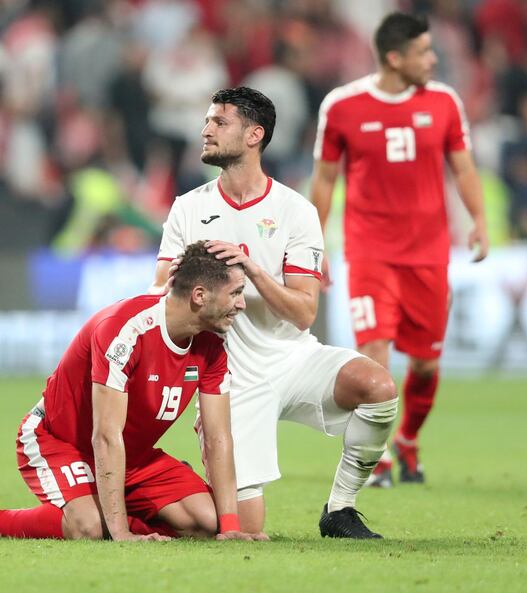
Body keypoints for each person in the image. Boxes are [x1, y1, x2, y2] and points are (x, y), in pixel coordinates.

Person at [151, 87, 398, 539]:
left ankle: (340, 508)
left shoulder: (295, 211)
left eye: (219, 122)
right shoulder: (189, 208)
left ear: (254, 134)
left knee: (378, 387)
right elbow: (160, 291)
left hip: (291, 356)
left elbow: (304, 312)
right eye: (207, 120)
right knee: (246, 529)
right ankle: (168, 495)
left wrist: (250, 270)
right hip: (229, 377)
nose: (205, 129)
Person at [0, 241, 260, 541]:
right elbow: (105, 435)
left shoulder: (211, 347)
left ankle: (112, 511)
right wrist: (122, 533)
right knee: (89, 527)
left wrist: (229, 528)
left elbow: (217, 436)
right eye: (236, 293)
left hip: (132, 457)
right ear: (199, 296)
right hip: (60, 442)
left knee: (204, 522)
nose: (242, 304)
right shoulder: (126, 331)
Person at [309, 12, 489, 487]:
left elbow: (465, 169)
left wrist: (480, 220)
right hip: (369, 252)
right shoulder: (342, 106)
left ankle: (407, 438)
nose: (433, 59)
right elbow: (325, 179)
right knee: (374, 357)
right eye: (424, 52)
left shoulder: (445, 103)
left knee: (427, 364)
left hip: (429, 255)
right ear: (394, 58)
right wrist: (314, 241)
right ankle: (378, 457)